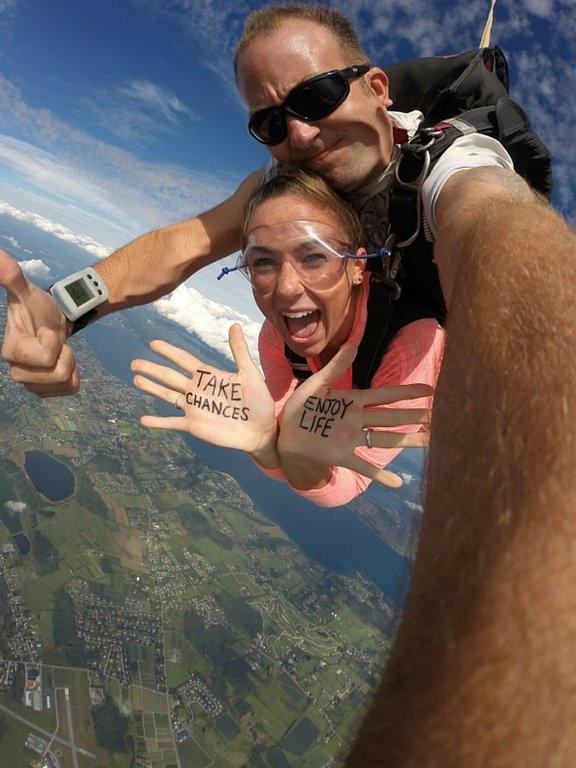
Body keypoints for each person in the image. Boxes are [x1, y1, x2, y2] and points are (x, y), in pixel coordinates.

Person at [2, 3, 576, 764]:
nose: (299, 135)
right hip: (320, 360)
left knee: (368, 403)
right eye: (270, 121)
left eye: (314, 98)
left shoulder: (453, 169)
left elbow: (501, 230)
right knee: (294, 418)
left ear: (376, 86)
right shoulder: (285, 186)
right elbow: (186, 243)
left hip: (400, 331)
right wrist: (66, 307)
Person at [131, 166, 443, 505]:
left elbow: (350, 482)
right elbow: (287, 441)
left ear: (356, 267)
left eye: (313, 257)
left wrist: (294, 455)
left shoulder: (410, 349)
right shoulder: (278, 338)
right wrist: (268, 445)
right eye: (263, 262)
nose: (287, 287)